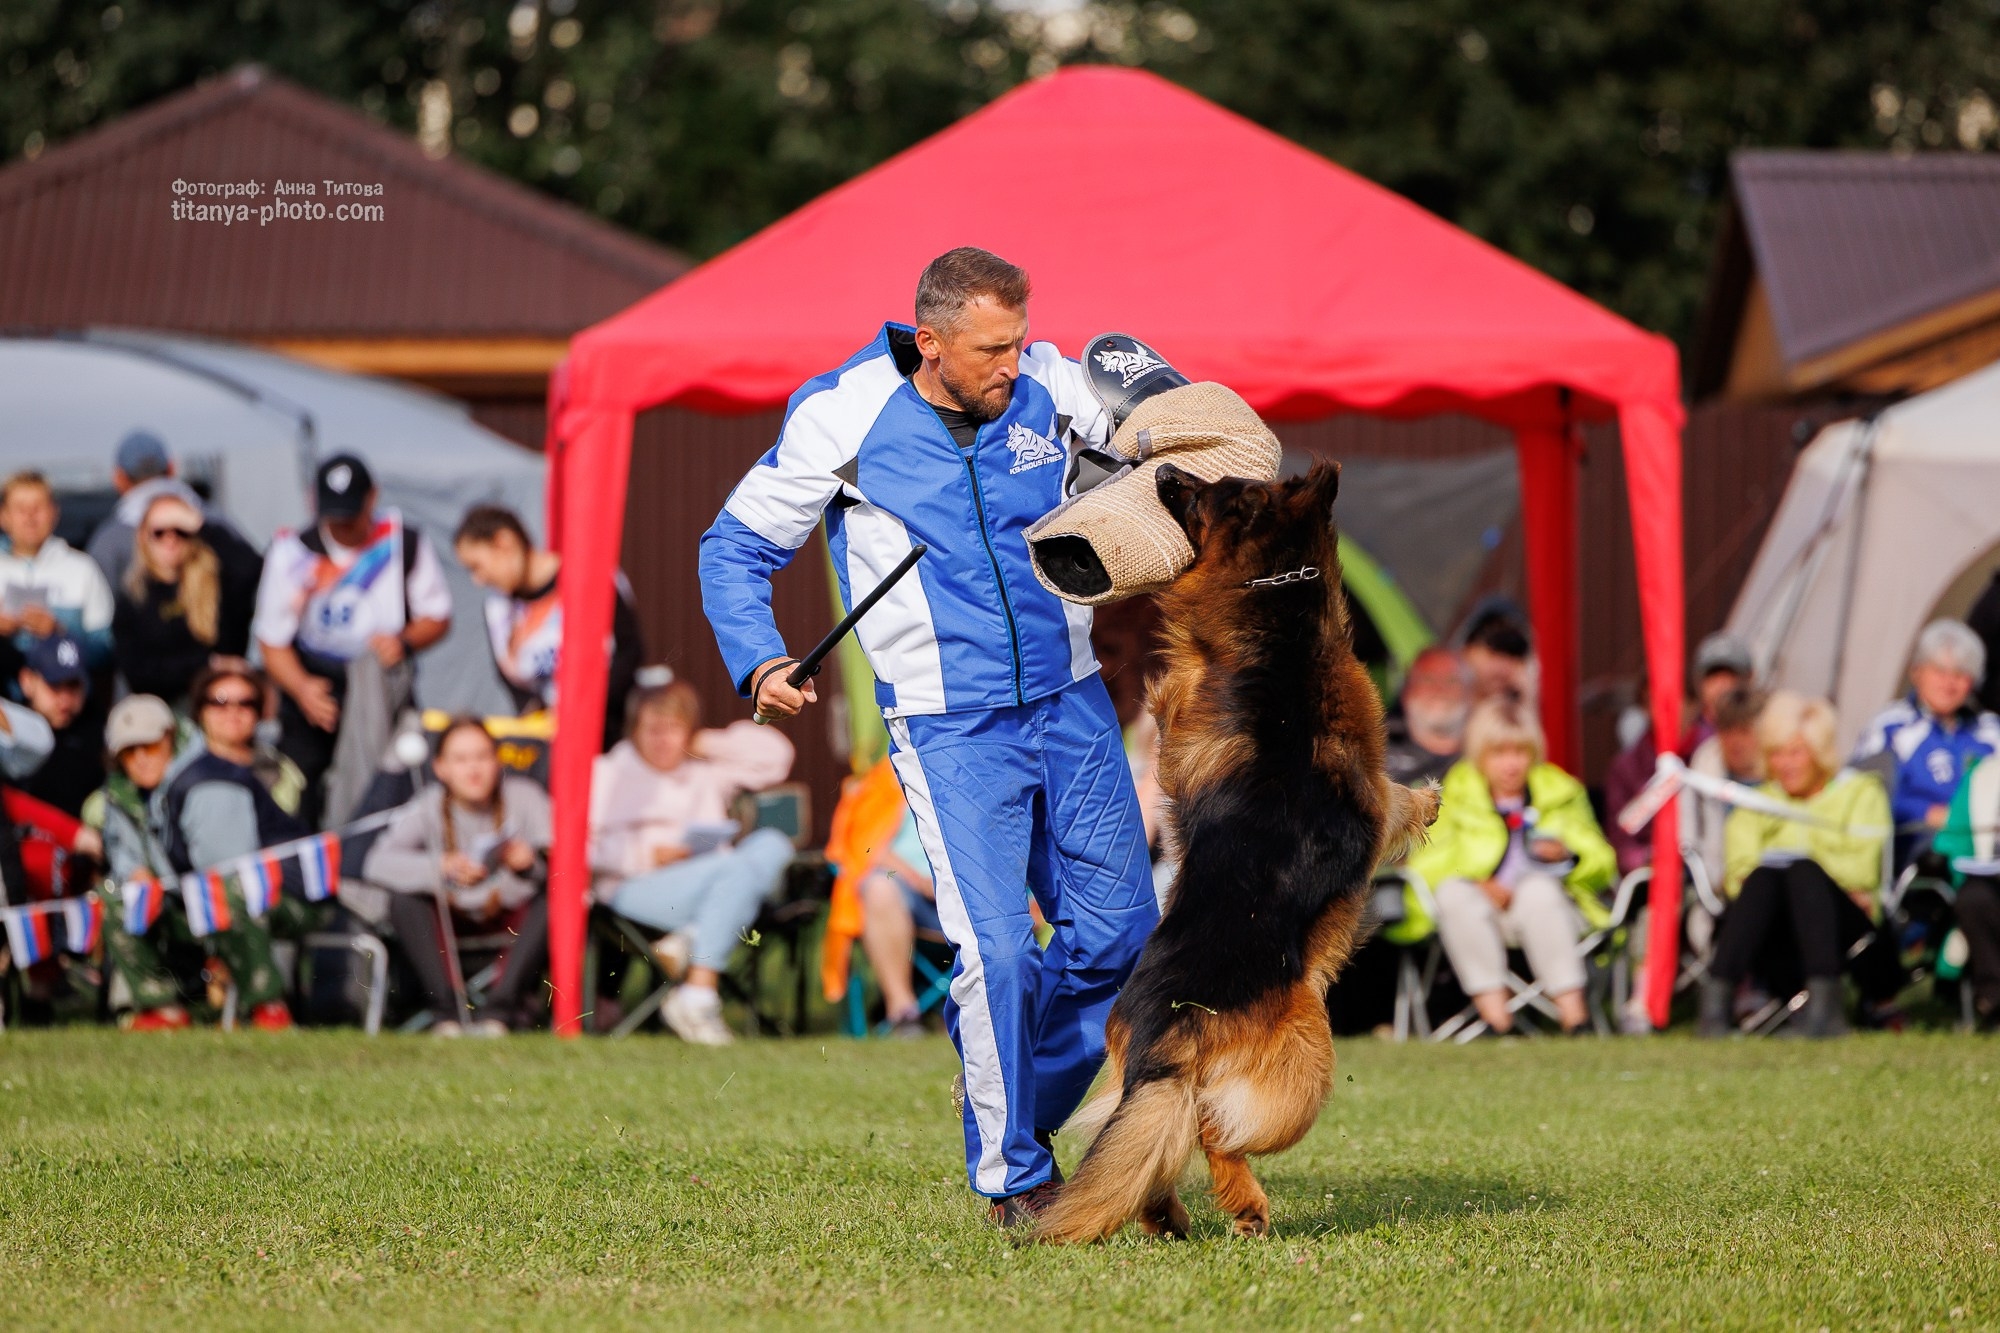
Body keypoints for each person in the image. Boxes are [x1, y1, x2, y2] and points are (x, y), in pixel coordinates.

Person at [699, 247, 1158, 1223]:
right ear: (932, 342)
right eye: (992, 347)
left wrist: (1175, 429)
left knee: (1119, 936)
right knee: (995, 951)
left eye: (1020, 340)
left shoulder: (1045, 382)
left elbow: (1149, 423)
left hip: (1073, 703)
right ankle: (1014, 1181)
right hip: (950, 731)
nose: (1012, 361)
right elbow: (733, 546)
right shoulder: (842, 412)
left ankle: (1012, 1109)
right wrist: (758, 657)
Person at [589, 680, 795, 1046]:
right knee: (734, 870)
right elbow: (586, 847)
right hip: (633, 885)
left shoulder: (703, 769)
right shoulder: (608, 772)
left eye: (673, 729)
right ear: (634, 730)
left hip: (709, 877)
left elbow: (776, 757)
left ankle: (690, 940)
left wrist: (701, 742)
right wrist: (651, 852)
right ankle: (698, 994)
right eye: (652, 730)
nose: (662, 740)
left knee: (773, 844)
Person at [252, 453, 453, 823]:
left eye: (351, 514)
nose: (343, 526)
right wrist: (302, 688)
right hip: (314, 683)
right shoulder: (291, 552)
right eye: (334, 515)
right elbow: (272, 641)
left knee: (388, 777)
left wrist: (404, 641)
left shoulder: (402, 543)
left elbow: (438, 617)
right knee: (303, 786)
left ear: (371, 499)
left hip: (381, 681)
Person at [1408, 697, 1616, 1035]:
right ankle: (1497, 1021)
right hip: (1478, 913)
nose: (1510, 765)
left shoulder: (1561, 791)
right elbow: (1424, 865)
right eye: (1499, 753)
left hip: (1554, 910)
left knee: (1538, 891)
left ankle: (1576, 1019)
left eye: (1519, 753)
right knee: (1455, 896)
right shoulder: (1454, 792)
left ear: (1533, 753)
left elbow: (1603, 863)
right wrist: (1477, 882)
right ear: (1480, 755)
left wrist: (1568, 856)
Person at [1699, 692, 1897, 1039]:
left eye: (1795, 753)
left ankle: (1826, 1008)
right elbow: (1738, 876)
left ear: (1819, 754)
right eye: (1776, 754)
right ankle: (1715, 1008)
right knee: (1764, 877)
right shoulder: (1756, 802)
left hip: (1848, 933)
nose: (1785, 764)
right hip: (1777, 935)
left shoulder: (1861, 794)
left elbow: (1862, 872)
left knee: (1802, 872)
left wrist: (1800, 864)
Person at [153, 664, 317, 1032]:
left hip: (284, 892)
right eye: (220, 702)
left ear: (261, 713)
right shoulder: (187, 775)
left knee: (242, 893)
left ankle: (265, 1004)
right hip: (208, 896)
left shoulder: (284, 770)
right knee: (234, 891)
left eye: (246, 703)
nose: (233, 711)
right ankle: (259, 1004)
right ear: (199, 711)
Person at [362, 717, 552, 1035]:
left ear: (497, 761)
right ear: (441, 768)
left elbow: (560, 858)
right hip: (447, 930)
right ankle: (446, 1014)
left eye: (481, 757)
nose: (473, 770)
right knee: (403, 899)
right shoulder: (429, 804)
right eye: (461, 760)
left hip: (510, 929)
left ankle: (498, 1013)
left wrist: (531, 863)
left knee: (556, 899)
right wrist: (439, 866)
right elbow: (375, 862)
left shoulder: (526, 797)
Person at [452, 503, 644, 752]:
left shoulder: (592, 579)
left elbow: (630, 652)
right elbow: (514, 684)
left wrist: (581, 710)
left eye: (477, 566)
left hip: (610, 739)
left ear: (504, 543)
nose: (478, 580)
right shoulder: (498, 610)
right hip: (550, 749)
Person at [1851, 618, 2000, 868]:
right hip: (1918, 848)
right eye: (1940, 671)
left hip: (1987, 846)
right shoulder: (1891, 727)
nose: (1949, 683)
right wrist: (1925, 812)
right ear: (1917, 672)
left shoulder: (1990, 731)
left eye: (1961, 674)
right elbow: (1861, 793)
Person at [1606, 631, 1756, 877]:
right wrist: (1648, 858)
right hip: (1655, 876)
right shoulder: (1627, 767)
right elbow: (1622, 837)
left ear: (1693, 703)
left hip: (1723, 866)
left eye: (1673, 700)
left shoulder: (1713, 754)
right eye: (1652, 701)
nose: (1663, 710)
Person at [112, 491, 262, 707]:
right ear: (143, 536)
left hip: (220, 705)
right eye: (159, 532)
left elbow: (252, 568)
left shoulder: (220, 583)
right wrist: (207, 664)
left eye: (180, 531)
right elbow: (138, 673)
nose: (170, 539)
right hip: (165, 707)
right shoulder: (134, 597)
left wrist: (199, 522)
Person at [85, 430, 245, 588]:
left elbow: (99, 605)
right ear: (171, 468)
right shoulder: (216, 521)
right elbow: (253, 576)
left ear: (118, 478)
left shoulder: (110, 540)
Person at [0, 471, 114, 666]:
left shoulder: (82, 568)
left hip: (66, 692)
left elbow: (105, 650)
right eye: (20, 508)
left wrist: (60, 632)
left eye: (38, 507)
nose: (30, 517)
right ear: (4, 516)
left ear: (54, 512)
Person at [857, 801, 944, 1037]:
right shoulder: (890, 782)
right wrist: (921, 881)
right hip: (913, 894)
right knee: (879, 887)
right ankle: (903, 1013)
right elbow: (870, 848)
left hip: (978, 900)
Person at [15, 635, 104, 818]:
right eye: (54, 685)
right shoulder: (11, 734)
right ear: (27, 681)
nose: (64, 699)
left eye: (73, 685)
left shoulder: (97, 731)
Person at [1384, 646, 1472, 786]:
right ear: (1406, 692)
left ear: (1470, 693)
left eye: (1451, 681)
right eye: (1427, 680)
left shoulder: (1490, 759)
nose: (1439, 690)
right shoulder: (1372, 754)